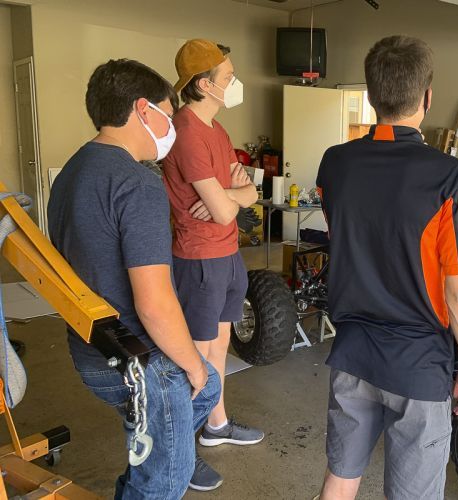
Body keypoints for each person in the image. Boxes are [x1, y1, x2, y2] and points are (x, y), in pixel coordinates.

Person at [316, 35, 458, 500]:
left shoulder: (334, 164)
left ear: (372, 96)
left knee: (340, 480)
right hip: (416, 365)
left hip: (351, 352)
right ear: (427, 98)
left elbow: (348, 241)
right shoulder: (451, 176)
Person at [47, 59, 221, 499]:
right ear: (144, 110)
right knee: (167, 482)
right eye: (167, 112)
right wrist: (193, 364)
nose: (171, 126)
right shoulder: (137, 183)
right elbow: (155, 305)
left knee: (208, 388)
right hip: (137, 363)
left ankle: (158, 447)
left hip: (90, 347)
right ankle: (159, 459)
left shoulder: (70, 173)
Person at [161, 39, 260, 492]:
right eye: (227, 77)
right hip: (199, 259)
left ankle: (215, 426)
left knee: (219, 352)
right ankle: (185, 452)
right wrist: (226, 201)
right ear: (204, 85)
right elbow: (220, 209)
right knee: (195, 361)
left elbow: (246, 195)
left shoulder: (216, 130)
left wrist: (230, 197)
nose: (233, 83)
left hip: (228, 255)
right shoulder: (185, 131)